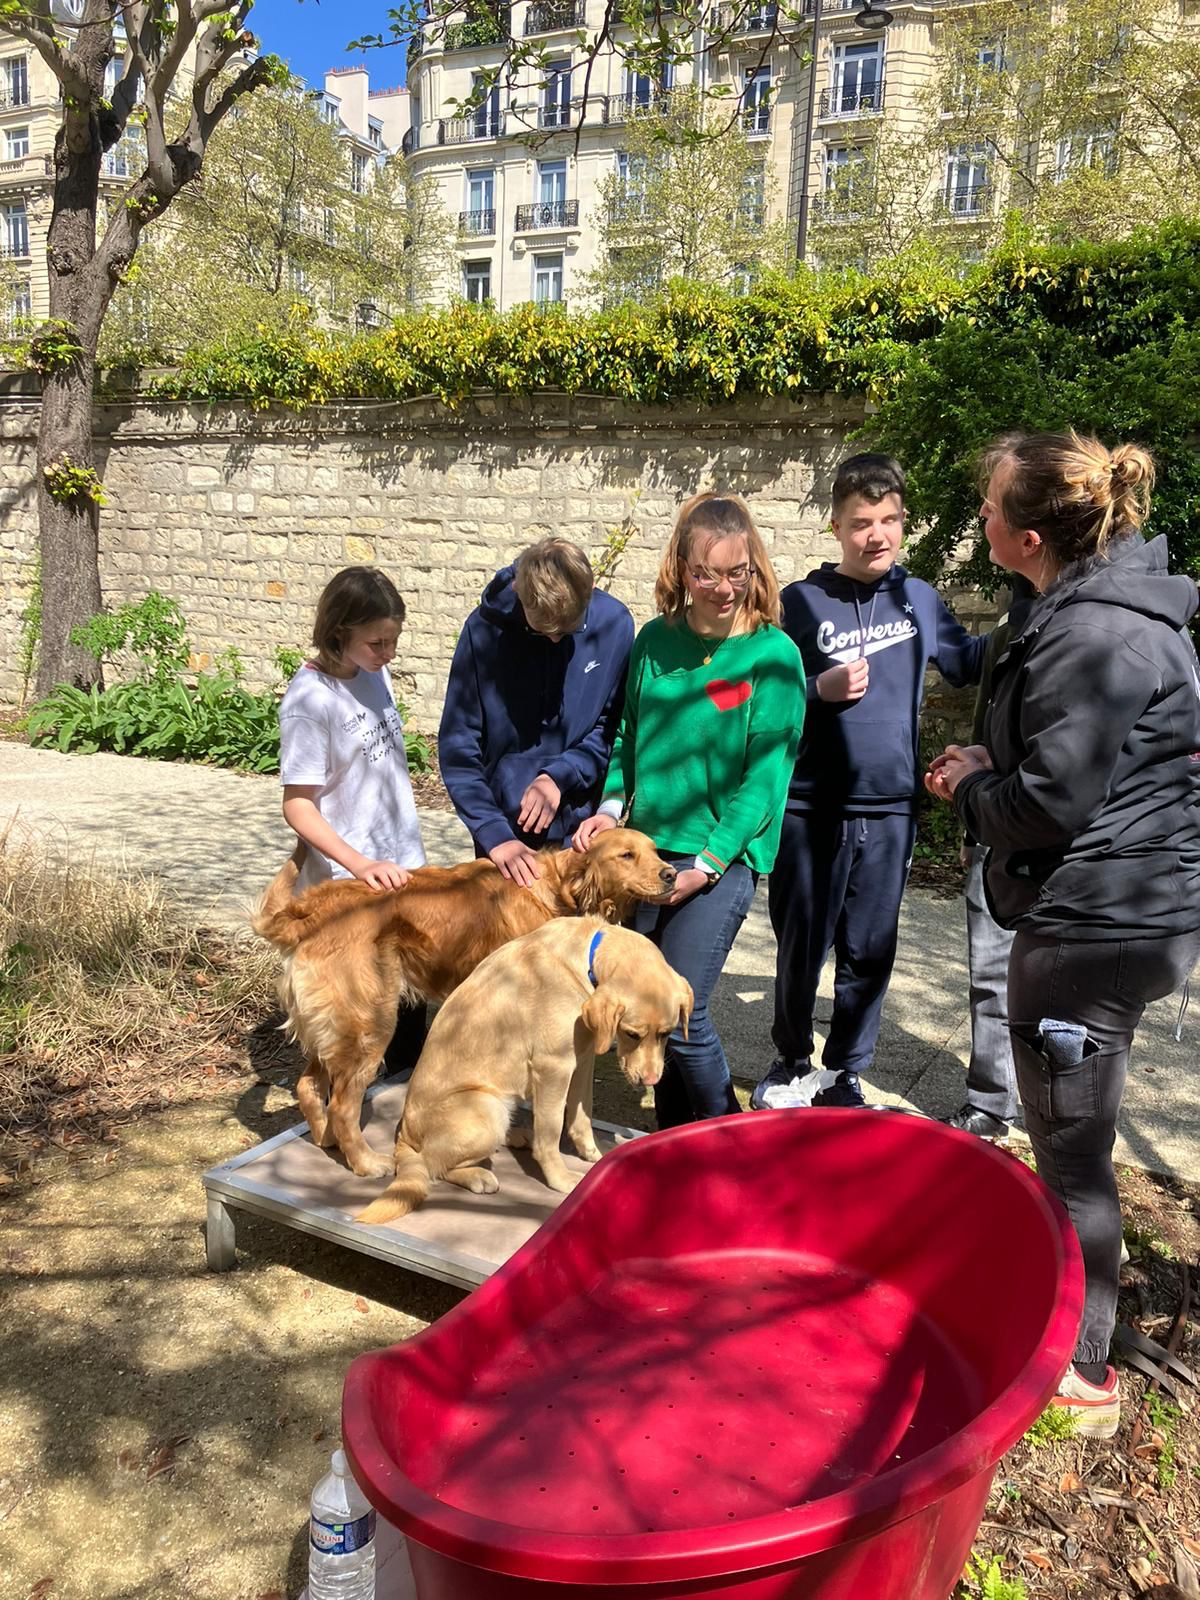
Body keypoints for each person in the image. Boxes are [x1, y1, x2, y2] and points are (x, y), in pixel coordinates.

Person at [927, 431, 1200, 1438]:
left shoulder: (1094, 635)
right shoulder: (1098, 608)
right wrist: (986, 754)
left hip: (1092, 930)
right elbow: (1077, 752)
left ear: (1026, 534)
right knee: (1070, 1138)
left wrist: (970, 786)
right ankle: (1069, 1315)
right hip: (1125, 911)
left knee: (1073, 1154)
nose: (980, 517)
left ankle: (1083, 1374)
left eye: (990, 506)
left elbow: (1049, 801)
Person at [754, 453, 986, 1111]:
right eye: (861, 522)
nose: (876, 534)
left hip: (889, 810)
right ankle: (792, 1061)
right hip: (810, 807)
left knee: (870, 951)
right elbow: (759, 700)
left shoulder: (918, 599)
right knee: (803, 944)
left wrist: (1038, 607)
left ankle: (842, 1073)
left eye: (889, 520)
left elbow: (970, 664)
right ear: (836, 525)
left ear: (903, 522)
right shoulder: (799, 603)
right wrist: (815, 688)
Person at [574, 492, 805, 1129]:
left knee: (684, 1010)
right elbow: (628, 739)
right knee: (645, 1005)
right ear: (681, 570)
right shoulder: (653, 642)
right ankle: (676, 1144)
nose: (722, 588)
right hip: (645, 854)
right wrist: (612, 808)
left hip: (717, 857)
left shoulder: (774, 657)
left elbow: (764, 783)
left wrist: (708, 862)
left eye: (737, 573)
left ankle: (735, 1144)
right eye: (706, 573)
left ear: (753, 568)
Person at [278, 565, 428, 1075]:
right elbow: (297, 803)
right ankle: (341, 1115)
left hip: (401, 865)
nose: (388, 654)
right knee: (360, 1022)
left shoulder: (372, 674)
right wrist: (359, 862)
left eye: (392, 640)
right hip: (352, 883)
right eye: (377, 642)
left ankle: (404, 1106)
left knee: (406, 1006)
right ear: (339, 631)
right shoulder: (309, 702)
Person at [439, 537, 634, 886]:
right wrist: (493, 832)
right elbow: (459, 743)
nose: (557, 640)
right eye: (543, 630)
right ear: (518, 591)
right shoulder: (484, 632)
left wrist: (560, 775)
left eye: (568, 629)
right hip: (504, 837)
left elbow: (610, 727)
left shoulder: (614, 625)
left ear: (589, 590)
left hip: (580, 827)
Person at [941, 573, 1036, 1141]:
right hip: (996, 825)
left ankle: (1051, 1097)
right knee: (992, 973)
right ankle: (992, 1101)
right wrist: (971, 821)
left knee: (1056, 980)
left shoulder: (1093, 629)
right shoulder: (1009, 626)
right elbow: (983, 725)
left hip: (1064, 843)